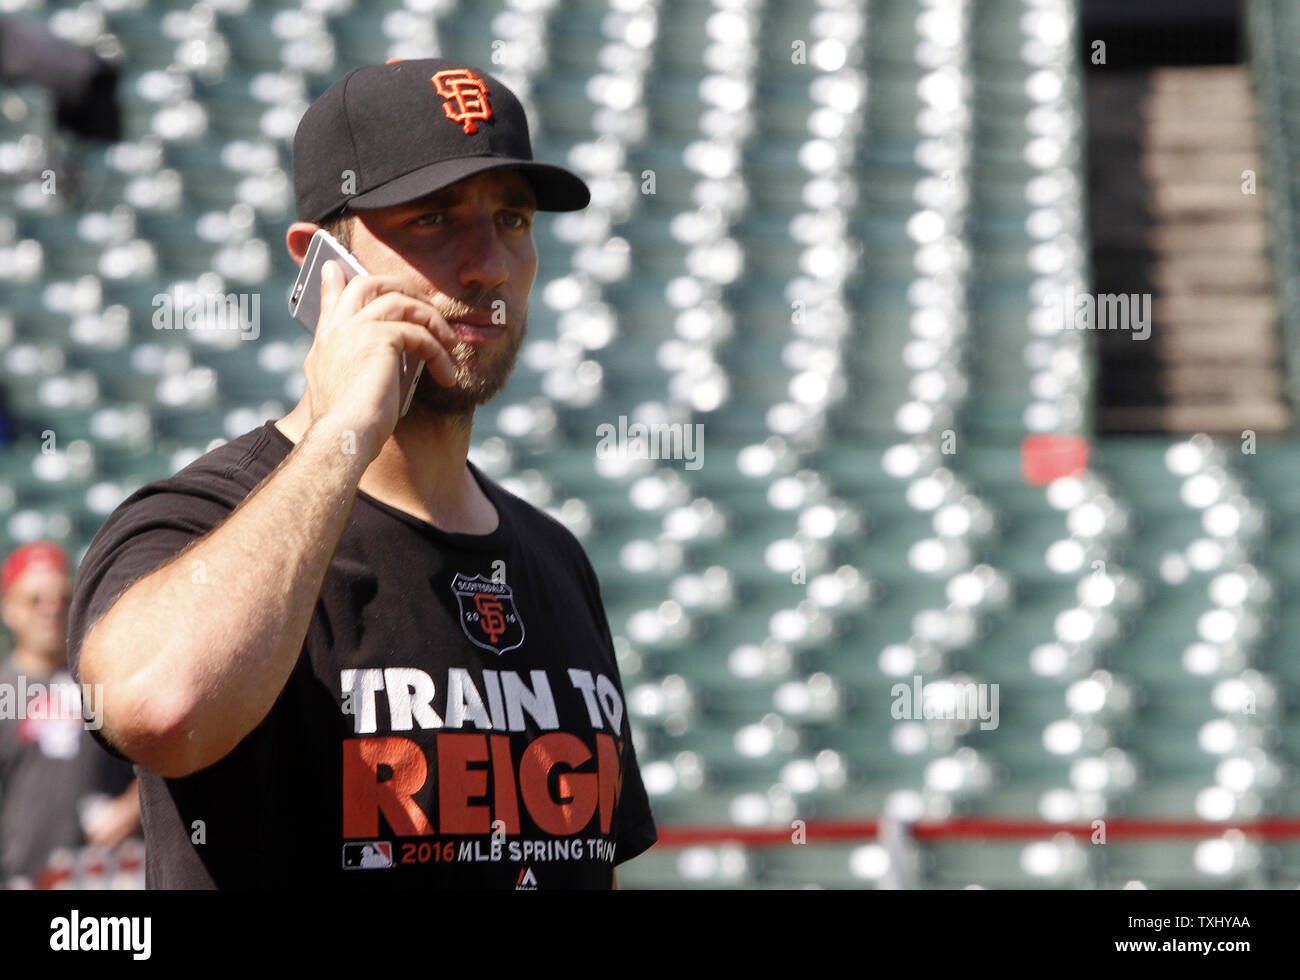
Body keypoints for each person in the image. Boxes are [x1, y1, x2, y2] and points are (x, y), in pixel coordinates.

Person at [67, 58, 656, 889]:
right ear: (318, 265)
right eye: (432, 219)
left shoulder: (555, 556)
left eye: (513, 218)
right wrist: (346, 424)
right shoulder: (196, 517)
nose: (487, 264)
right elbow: (162, 709)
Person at [0, 541, 140, 887]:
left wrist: (130, 808)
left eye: (62, 598)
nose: (52, 609)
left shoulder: (108, 681)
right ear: (9, 609)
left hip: (104, 878)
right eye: (35, 599)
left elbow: (163, 762)